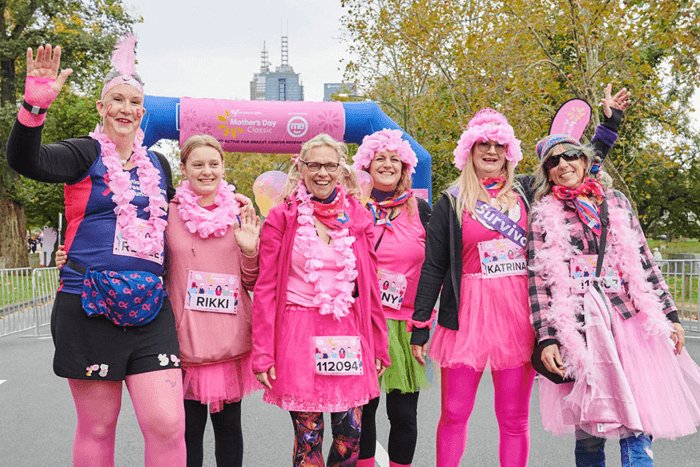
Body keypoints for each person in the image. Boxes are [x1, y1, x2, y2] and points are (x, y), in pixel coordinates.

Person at [409, 86, 629, 467]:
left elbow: (578, 168)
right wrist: (420, 324)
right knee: (454, 414)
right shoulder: (451, 199)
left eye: (498, 145)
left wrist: (608, 127)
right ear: (470, 152)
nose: (491, 152)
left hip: (518, 314)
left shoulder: (530, 189)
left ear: (508, 151)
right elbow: (434, 266)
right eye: (483, 146)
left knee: (513, 419)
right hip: (466, 317)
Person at [6, 39, 186, 466]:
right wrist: (34, 108)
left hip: (150, 307)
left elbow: (180, 216)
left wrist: (223, 205)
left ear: (143, 112)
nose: (126, 108)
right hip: (89, 305)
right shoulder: (83, 153)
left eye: (134, 102)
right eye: (117, 100)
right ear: (102, 109)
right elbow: (25, 161)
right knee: (99, 426)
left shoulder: (158, 164)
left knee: (166, 422)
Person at [528, 131, 700, 466]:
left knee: (637, 420)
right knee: (590, 428)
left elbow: (644, 262)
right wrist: (547, 338)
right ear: (547, 172)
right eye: (553, 161)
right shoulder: (543, 214)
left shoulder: (616, 201)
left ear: (585, 160)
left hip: (629, 322)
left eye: (570, 155)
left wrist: (671, 316)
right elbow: (539, 283)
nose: (563, 164)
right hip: (580, 328)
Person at [251, 133, 390, 466]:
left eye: (330, 165)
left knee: (350, 437)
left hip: (347, 331)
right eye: (315, 165)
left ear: (341, 169)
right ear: (301, 168)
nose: (322, 173)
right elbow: (267, 287)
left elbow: (370, 284)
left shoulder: (357, 217)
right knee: (308, 437)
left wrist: (379, 342)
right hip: (299, 331)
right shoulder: (282, 218)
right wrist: (262, 352)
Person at [165, 135, 261, 467]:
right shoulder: (168, 213)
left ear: (223, 166)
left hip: (228, 340)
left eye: (214, 164)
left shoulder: (240, 211)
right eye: (198, 164)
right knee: (188, 433)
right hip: (184, 341)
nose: (207, 172)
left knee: (229, 430)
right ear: (184, 168)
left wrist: (250, 252)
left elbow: (252, 281)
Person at [351, 129, 431, 467]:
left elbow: (433, 271)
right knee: (363, 411)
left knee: (403, 415)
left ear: (405, 167)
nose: (386, 164)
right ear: (367, 167)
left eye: (393, 159)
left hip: (405, 324)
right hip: (362, 322)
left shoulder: (422, 210)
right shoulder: (353, 208)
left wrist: (423, 326)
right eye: (379, 159)